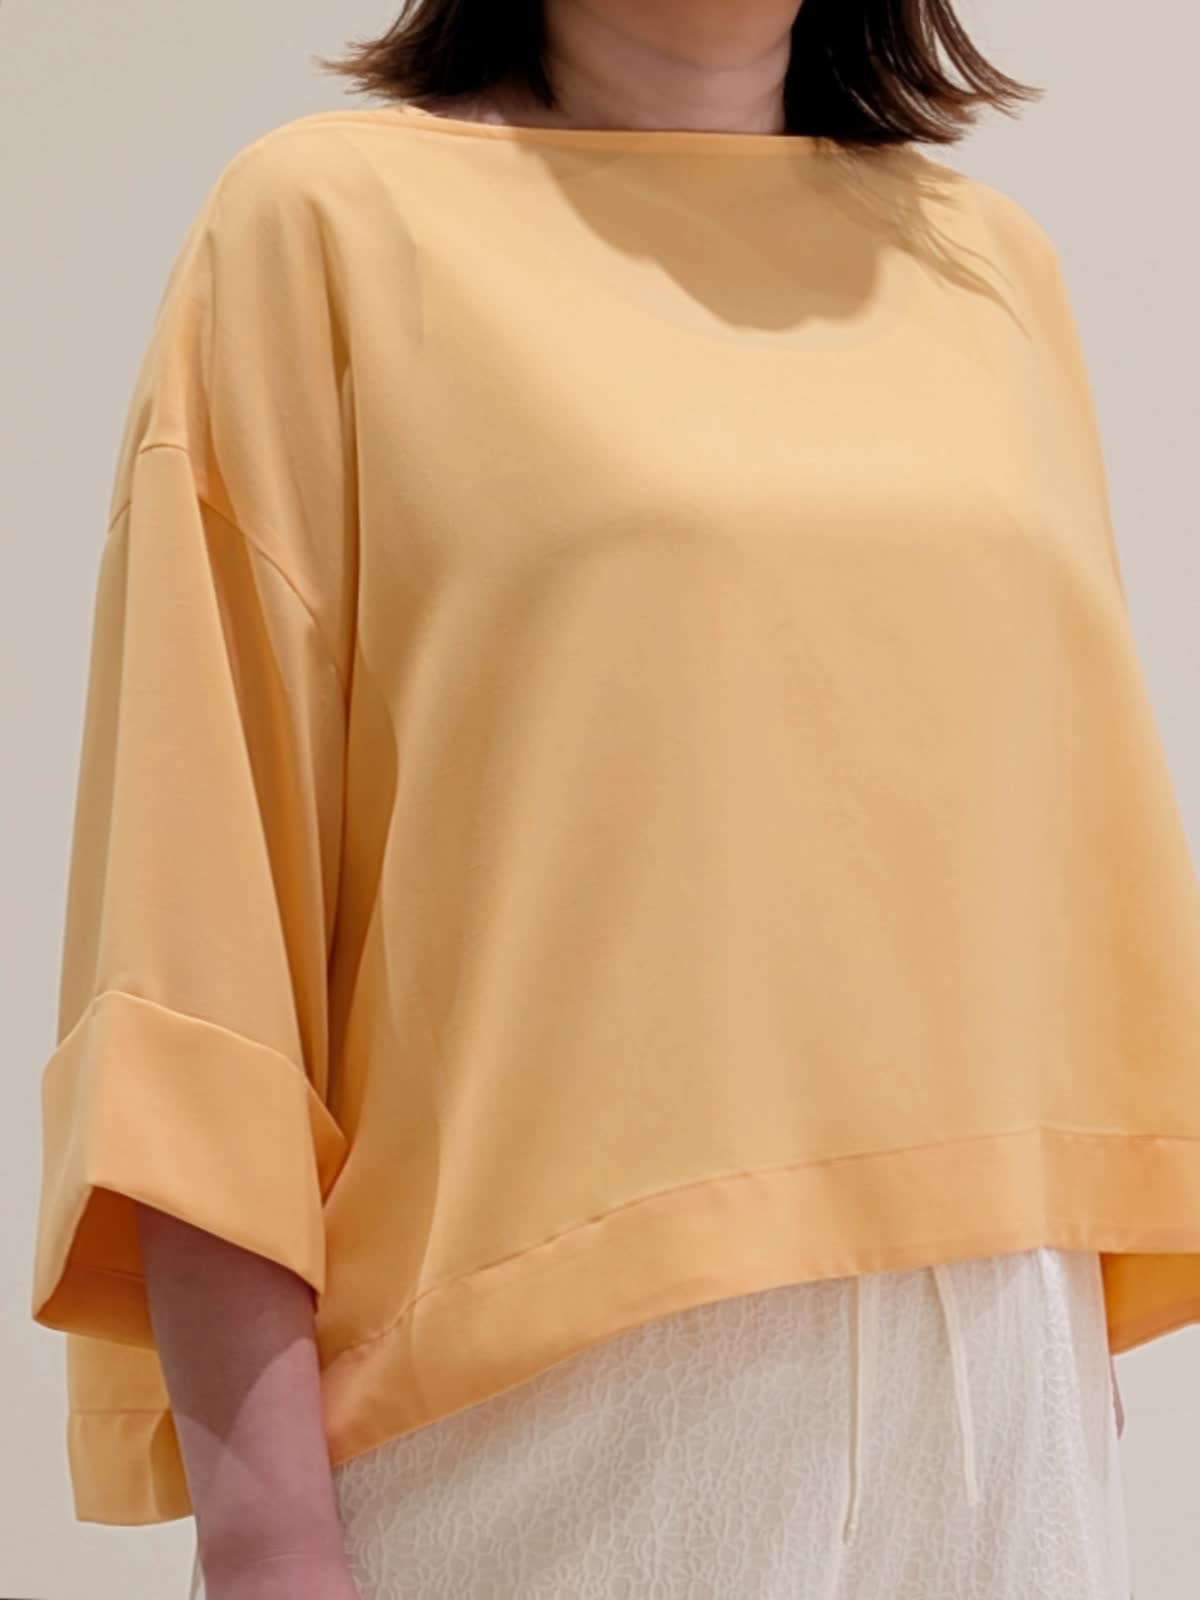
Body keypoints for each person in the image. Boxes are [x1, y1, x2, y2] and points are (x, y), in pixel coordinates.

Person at [31, 1, 1200, 1596]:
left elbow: (1044, 854)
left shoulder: (990, 266)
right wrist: (264, 1522)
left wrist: (1046, 1382)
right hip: (549, 1401)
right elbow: (201, 921)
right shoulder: (325, 227)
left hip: (1002, 1383)